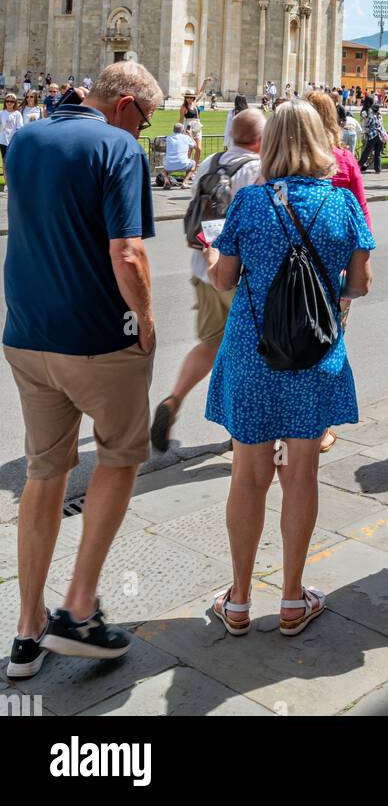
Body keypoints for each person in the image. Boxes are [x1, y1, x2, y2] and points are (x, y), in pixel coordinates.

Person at [2, 62, 161, 675]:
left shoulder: (28, 135)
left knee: (43, 474)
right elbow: (127, 251)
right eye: (145, 121)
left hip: (26, 334)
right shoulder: (117, 146)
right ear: (125, 107)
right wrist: (145, 319)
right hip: (95, 338)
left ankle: (26, 628)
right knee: (121, 455)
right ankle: (77, 607)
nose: (144, 132)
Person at [202, 100, 374, 636]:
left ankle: (238, 600)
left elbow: (224, 279)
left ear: (272, 143)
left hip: (253, 353)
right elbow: (361, 283)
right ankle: (294, 599)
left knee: (248, 476)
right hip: (316, 352)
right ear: (322, 141)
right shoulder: (343, 204)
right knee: (301, 475)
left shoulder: (250, 203)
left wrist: (211, 255)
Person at [150, 109, 266, 454]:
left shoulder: (211, 162)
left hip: (203, 266)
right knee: (252, 352)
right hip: (237, 275)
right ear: (260, 139)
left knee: (211, 343)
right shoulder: (256, 170)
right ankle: (240, 430)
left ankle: (173, 400)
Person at [308, 91, 372, 453]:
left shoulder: (293, 162)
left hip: (294, 269)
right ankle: (321, 424)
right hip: (338, 270)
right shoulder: (344, 160)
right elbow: (362, 215)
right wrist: (361, 265)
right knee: (331, 340)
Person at [181, 80, 210, 171]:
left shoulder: (195, 103)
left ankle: (195, 168)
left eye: (191, 97)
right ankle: (188, 170)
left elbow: (201, 92)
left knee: (199, 148)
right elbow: (181, 120)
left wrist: (205, 82)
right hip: (188, 128)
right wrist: (179, 130)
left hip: (197, 126)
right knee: (189, 150)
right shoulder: (183, 107)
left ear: (193, 98)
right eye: (187, 97)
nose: (189, 99)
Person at [164, 121, 198, 188]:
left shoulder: (168, 138)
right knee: (193, 163)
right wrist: (190, 135)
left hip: (169, 165)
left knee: (164, 171)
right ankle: (184, 182)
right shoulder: (186, 138)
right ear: (182, 130)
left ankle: (166, 180)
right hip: (183, 164)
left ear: (173, 130)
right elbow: (195, 145)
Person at [359, 97, 386, 174]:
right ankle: (377, 169)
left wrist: (364, 132)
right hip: (380, 133)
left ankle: (359, 166)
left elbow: (364, 123)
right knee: (377, 152)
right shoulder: (377, 112)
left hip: (371, 134)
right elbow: (381, 121)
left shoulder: (365, 112)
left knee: (366, 151)